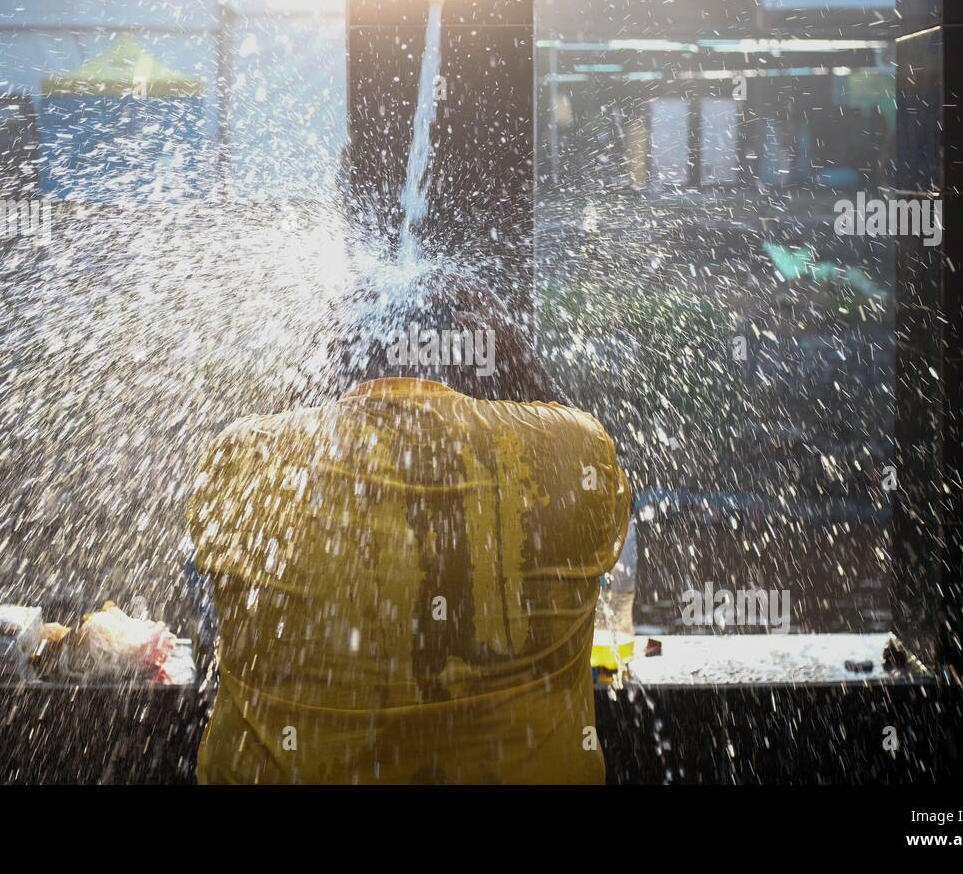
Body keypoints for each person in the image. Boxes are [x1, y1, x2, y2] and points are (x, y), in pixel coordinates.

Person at [187, 267, 631, 783]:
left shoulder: (245, 456)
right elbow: (585, 464)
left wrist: (317, 374)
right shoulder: (573, 450)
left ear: (341, 354)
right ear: (476, 355)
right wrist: (522, 370)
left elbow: (271, 461)